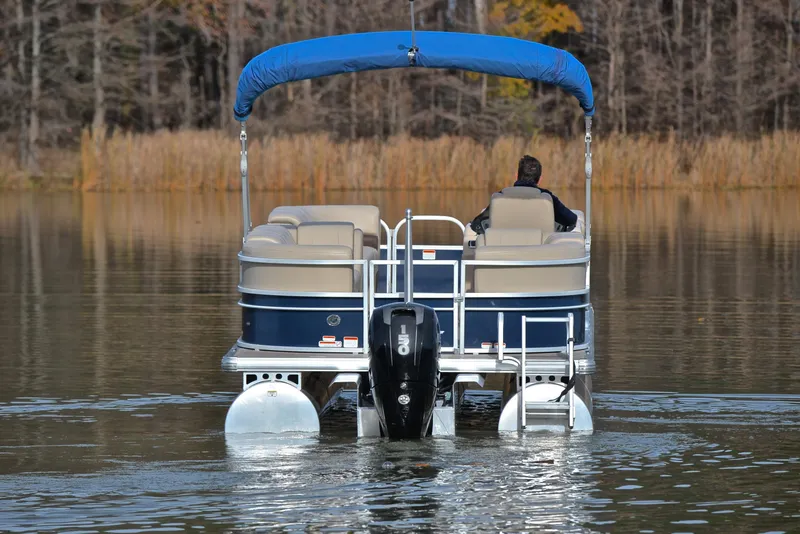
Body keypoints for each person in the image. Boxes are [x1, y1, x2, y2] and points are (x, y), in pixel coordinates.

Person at [469, 155, 577, 234]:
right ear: (539, 180)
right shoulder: (548, 199)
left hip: (504, 259)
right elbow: (571, 220)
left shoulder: (499, 197)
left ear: (516, 176)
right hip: (540, 259)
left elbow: (476, 225)